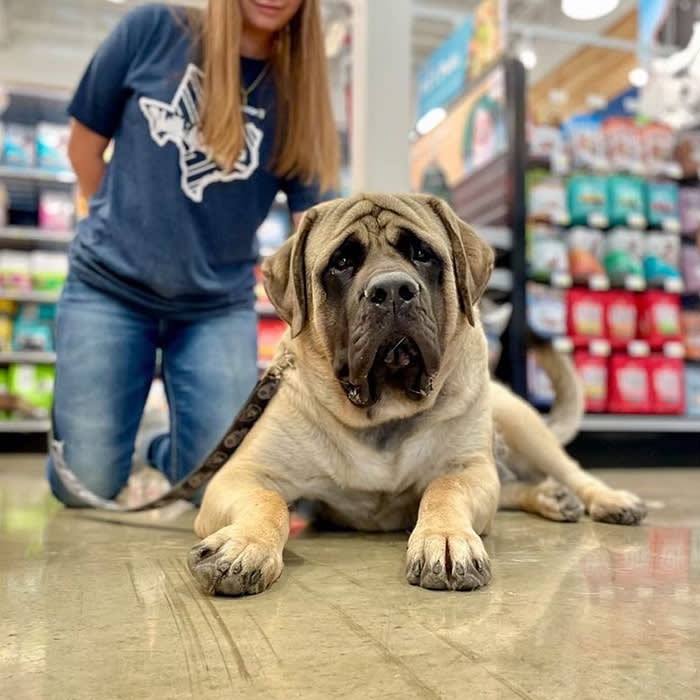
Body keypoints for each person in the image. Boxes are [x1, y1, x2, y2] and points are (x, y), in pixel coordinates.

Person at [47, 0, 339, 505]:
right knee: (85, 487)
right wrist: (119, 226)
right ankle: (129, 446)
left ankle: (160, 449)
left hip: (215, 307)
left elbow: (314, 230)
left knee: (215, 490)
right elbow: (83, 149)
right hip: (107, 290)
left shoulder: (300, 93)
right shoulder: (153, 30)